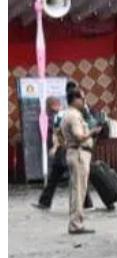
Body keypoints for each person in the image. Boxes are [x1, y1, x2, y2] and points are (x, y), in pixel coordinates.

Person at [32, 83, 96, 212]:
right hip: (75, 148)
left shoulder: (66, 113)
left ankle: (47, 201)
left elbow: (58, 132)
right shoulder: (78, 111)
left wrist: (56, 146)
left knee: (68, 177)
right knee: (76, 177)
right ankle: (85, 203)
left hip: (68, 148)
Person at [61, 89, 96, 234]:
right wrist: (92, 132)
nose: (84, 101)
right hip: (79, 153)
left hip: (74, 152)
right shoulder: (74, 116)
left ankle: (75, 222)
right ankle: (76, 224)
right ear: (75, 99)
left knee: (76, 190)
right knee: (79, 191)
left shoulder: (66, 114)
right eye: (82, 98)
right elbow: (79, 136)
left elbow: (59, 133)